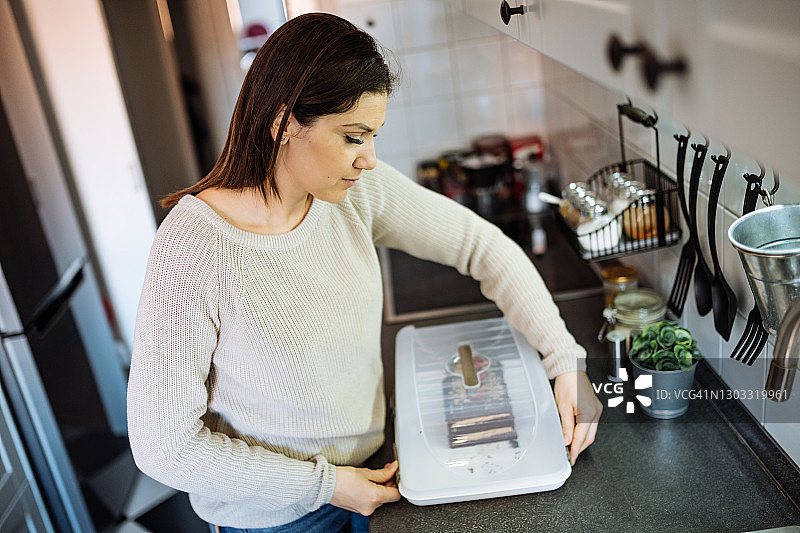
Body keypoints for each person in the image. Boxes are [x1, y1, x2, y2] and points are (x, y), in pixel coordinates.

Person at [127, 12, 602, 533]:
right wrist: (326, 484)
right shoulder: (194, 246)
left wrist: (564, 360)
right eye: (354, 137)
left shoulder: (354, 196)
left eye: (372, 136)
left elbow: (481, 245)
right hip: (276, 519)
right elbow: (162, 446)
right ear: (284, 123)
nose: (370, 160)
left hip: (378, 474)